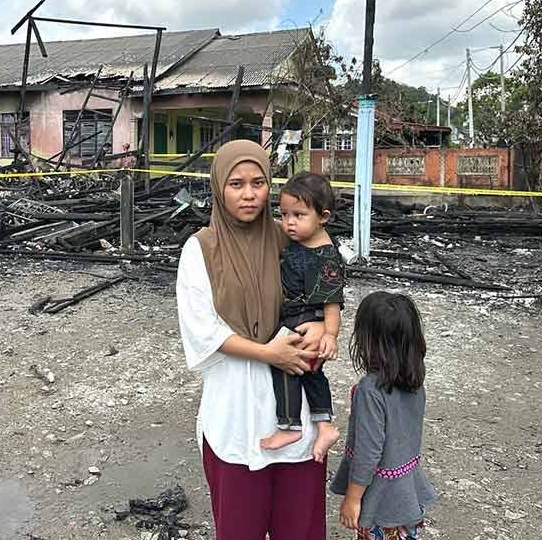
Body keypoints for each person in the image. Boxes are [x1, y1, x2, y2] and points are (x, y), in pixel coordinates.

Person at [176, 139, 329, 540]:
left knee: (298, 525)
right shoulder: (201, 250)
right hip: (236, 405)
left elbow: (325, 287)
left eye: (258, 183)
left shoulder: (288, 238)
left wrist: (326, 328)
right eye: (236, 184)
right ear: (218, 188)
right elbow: (202, 329)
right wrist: (268, 353)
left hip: (294, 400)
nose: (249, 194)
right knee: (239, 524)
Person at [331, 292, 439, 539]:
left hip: (380, 502)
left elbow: (369, 452)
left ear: (368, 340)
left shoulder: (370, 390)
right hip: (406, 497)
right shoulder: (414, 384)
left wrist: (353, 498)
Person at [260, 172, 344, 460]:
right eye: (284, 214)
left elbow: (333, 300)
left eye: (298, 215)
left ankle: (289, 424)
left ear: (323, 216)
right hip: (298, 316)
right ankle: (325, 425)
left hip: (303, 318)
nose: (289, 223)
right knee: (311, 372)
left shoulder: (325, 257)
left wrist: (330, 334)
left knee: (284, 364)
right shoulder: (300, 241)